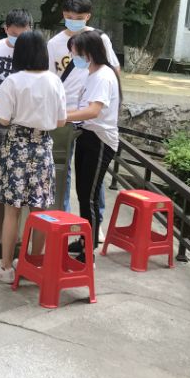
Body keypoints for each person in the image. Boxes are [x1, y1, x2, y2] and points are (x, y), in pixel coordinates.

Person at [0, 31, 67, 283]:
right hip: (43, 149)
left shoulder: (13, 81)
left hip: (17, 148)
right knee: (39, 211)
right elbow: (61, 121)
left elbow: (3, 119)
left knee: (12, 211)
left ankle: (6, 266)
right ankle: (33, 263)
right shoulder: (54, 81)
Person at [47, 0, 120, 216]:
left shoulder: (100, 43)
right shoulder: (54, 44)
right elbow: (50, 77)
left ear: (88, 16)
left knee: (91, 180)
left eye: (79, 18)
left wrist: (112, 103)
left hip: (91, 118)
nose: (73, 21)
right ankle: (66, 216)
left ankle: (94, 222)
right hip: (70, 111)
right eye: (69, 17)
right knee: (67, 170)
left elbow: (113, 72)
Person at [65, 30, 121, 261]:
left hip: (100, 139)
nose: (73, 58)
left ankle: (88, 251)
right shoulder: (92, 73)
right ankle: (83, 240)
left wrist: (62, 116)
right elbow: (84, 108)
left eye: (76, 54)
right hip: (87, 135)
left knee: (89, 195)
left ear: (88, 53)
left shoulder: (103, 76)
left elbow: (93, 111)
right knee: (83, 191)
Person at [0, 9, 33, 103]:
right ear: (6, 29)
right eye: (14, 34)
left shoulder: (34, 53)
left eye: (22, 35)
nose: (18, 39)